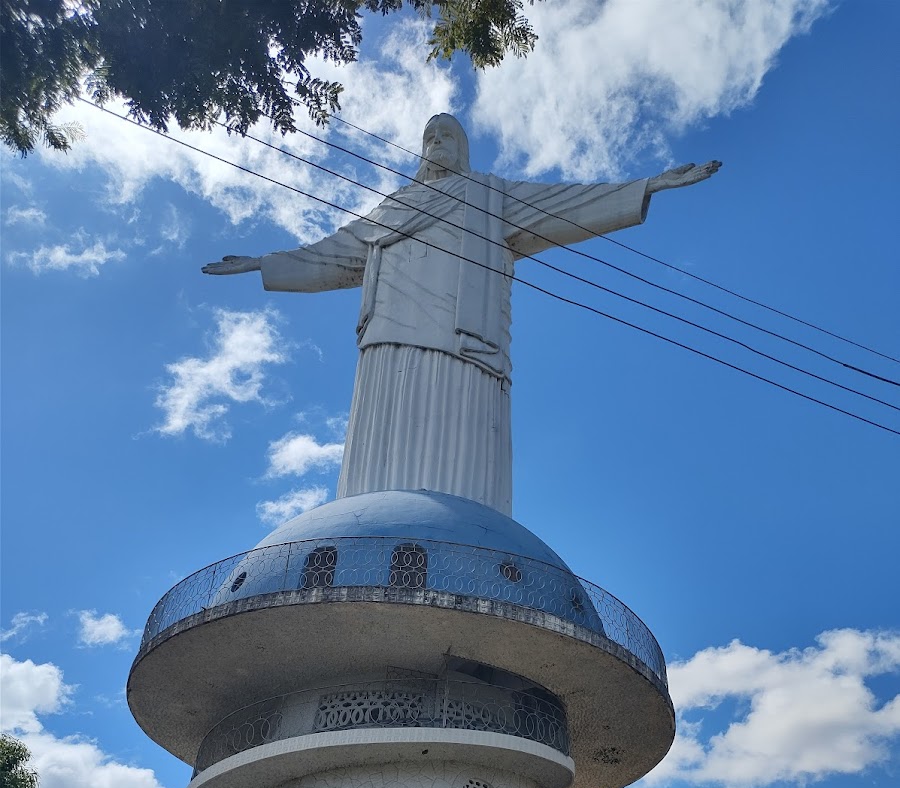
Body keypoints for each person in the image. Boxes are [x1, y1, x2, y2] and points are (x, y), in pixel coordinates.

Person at [203, 113, 720, 516]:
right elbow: (334, 253)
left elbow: (566, 204)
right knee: (380, 443)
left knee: (459, 443)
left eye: (446, 136)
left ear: (463, 149)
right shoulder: (394, 207)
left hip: (465, 342)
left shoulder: (491, 197)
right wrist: (262, 264)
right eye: (429, 137)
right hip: (386, 343)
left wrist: (647, 186)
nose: (435, 144)